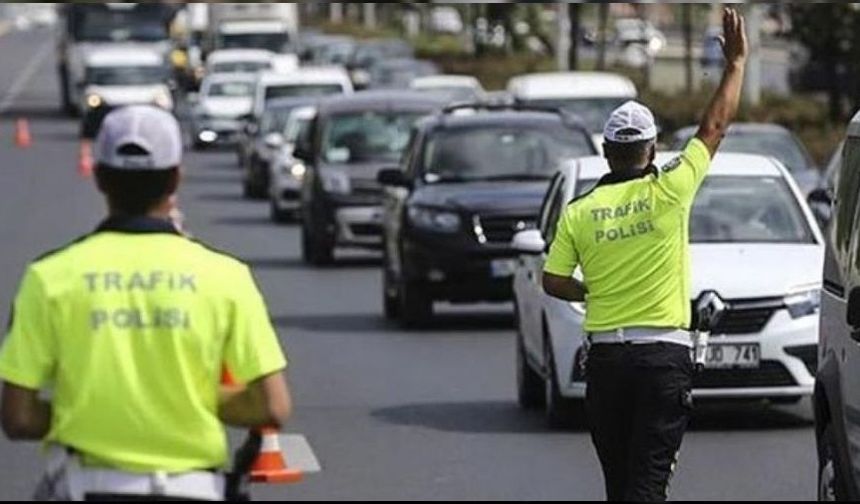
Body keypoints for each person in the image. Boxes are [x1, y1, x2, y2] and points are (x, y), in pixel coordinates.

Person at [0, 105, 291, 501]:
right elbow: (272, 407)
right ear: (175, 179)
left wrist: (85, 412)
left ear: (100, 178)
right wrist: (188, 401)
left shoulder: (49, 278)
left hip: (86, 487)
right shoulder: (226, 277)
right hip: (195, 489)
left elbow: (17, 417)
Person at [541, 8, 748, 503]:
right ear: (651, 151)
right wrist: (736, 65)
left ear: (607, 152)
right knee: (648, 486)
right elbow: (714, 126)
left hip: (607, 363)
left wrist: (589, 289)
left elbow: (552, 280)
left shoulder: (580, 210)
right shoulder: (671, 190)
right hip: (663, 360)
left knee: (621, 487)